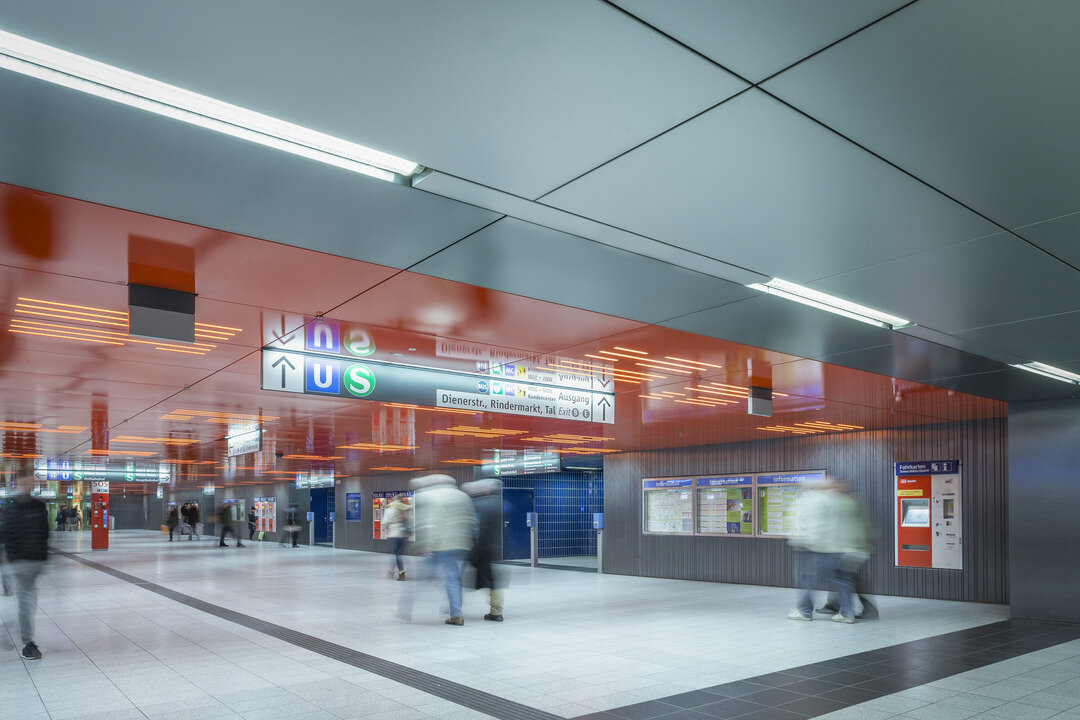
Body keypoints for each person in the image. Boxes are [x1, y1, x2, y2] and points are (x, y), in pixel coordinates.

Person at [787, 477, 861, 624]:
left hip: (823, 548)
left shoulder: (818, 501)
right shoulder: (842, 501)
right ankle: (847, 613)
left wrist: (808, 542)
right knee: (842, 579)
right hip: (842, 548)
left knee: (809, 580)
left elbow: (817, 526)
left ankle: (804, 611)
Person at [412, 474, 475, 626]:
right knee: (453, 579)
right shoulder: (463, 497)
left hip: (442, 545)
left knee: (425, 576)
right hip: (461, 544)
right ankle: (456, 614)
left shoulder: (434, 497)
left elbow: (432, 523)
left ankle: (406, 606)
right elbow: (471, 521)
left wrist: (426, 544)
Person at [0, 478, 49, 659]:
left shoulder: (38, 506)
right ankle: (27, 643)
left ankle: (9, 630)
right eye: (24, 483)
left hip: (35, 562)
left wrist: (43, 557)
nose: (27, 486)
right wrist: (12, 558)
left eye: (29, 483)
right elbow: (6, 534)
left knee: (28, 601)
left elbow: (45, 532)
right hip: (19, 563)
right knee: (25, 602)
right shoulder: (11, 508)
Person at [463, 479, 506, 621]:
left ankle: (455, 608)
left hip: (480, 549)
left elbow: (474, 528)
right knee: (493, 582)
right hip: (495, 549)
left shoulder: (477, 505)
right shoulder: (501, 504)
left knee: (462, 579)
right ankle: (496, 611)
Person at [381, 494, 412, 580]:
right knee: (398, 554)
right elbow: (409, 520)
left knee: (397, 554)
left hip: (394, 535)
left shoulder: (389, 509)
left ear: (393, 500)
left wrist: (384, 528)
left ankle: (401, 573)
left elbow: (384, 522)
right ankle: (392, 570)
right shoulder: (404, 509)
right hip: (403, 535)